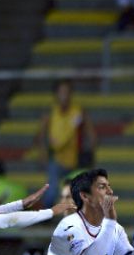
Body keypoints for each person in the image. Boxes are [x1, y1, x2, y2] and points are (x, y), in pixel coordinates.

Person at [33, 79, 97, 207]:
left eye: (67, 92)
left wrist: (91, 149)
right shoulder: (50, 113)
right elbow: (40, 135)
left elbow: (91, 132)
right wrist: (42, 153)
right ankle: (45, 214)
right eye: (61, 92)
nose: (64, 95)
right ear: (56, 94)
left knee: (82, 189)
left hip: (76, 160)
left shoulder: (78, 112)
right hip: (56, 160)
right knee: (52, 190)